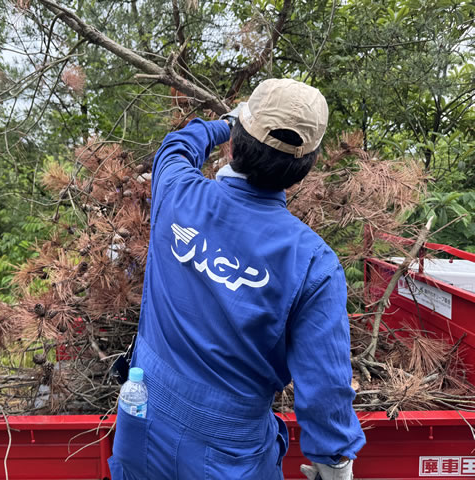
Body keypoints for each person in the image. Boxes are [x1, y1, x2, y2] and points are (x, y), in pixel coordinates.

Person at [107, 78, 366, 480]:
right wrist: (333, 464)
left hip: (142, 429)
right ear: (305, 168)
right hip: (229, 459)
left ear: (233, 144)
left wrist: (222, 123)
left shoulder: (178, 194)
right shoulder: (313, 262)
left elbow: (176, 146)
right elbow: (325, 388)